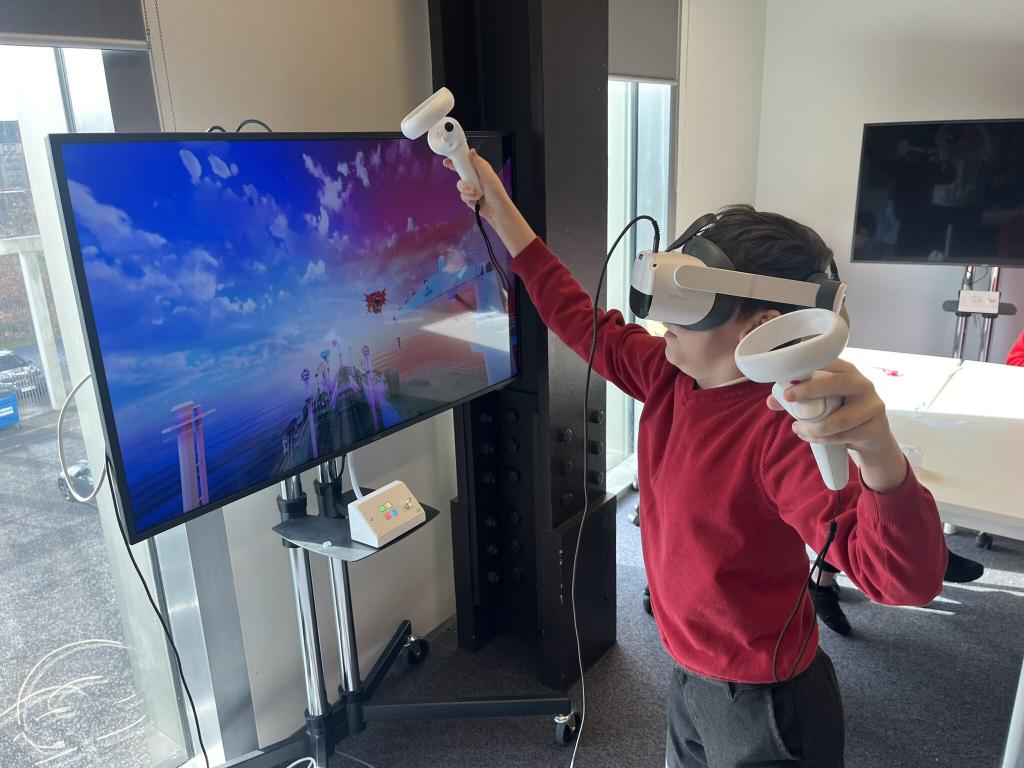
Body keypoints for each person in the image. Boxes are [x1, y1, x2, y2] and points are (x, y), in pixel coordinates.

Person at [445, 150, 946, 768]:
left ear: (759, 326)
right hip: (687, 675)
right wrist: (499, 206)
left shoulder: (783, 434)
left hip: (767, 706)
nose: (656, 318)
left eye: (686, 301)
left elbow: (904, 580)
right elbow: (574, 315)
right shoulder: (666, 375)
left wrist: (878, 456)